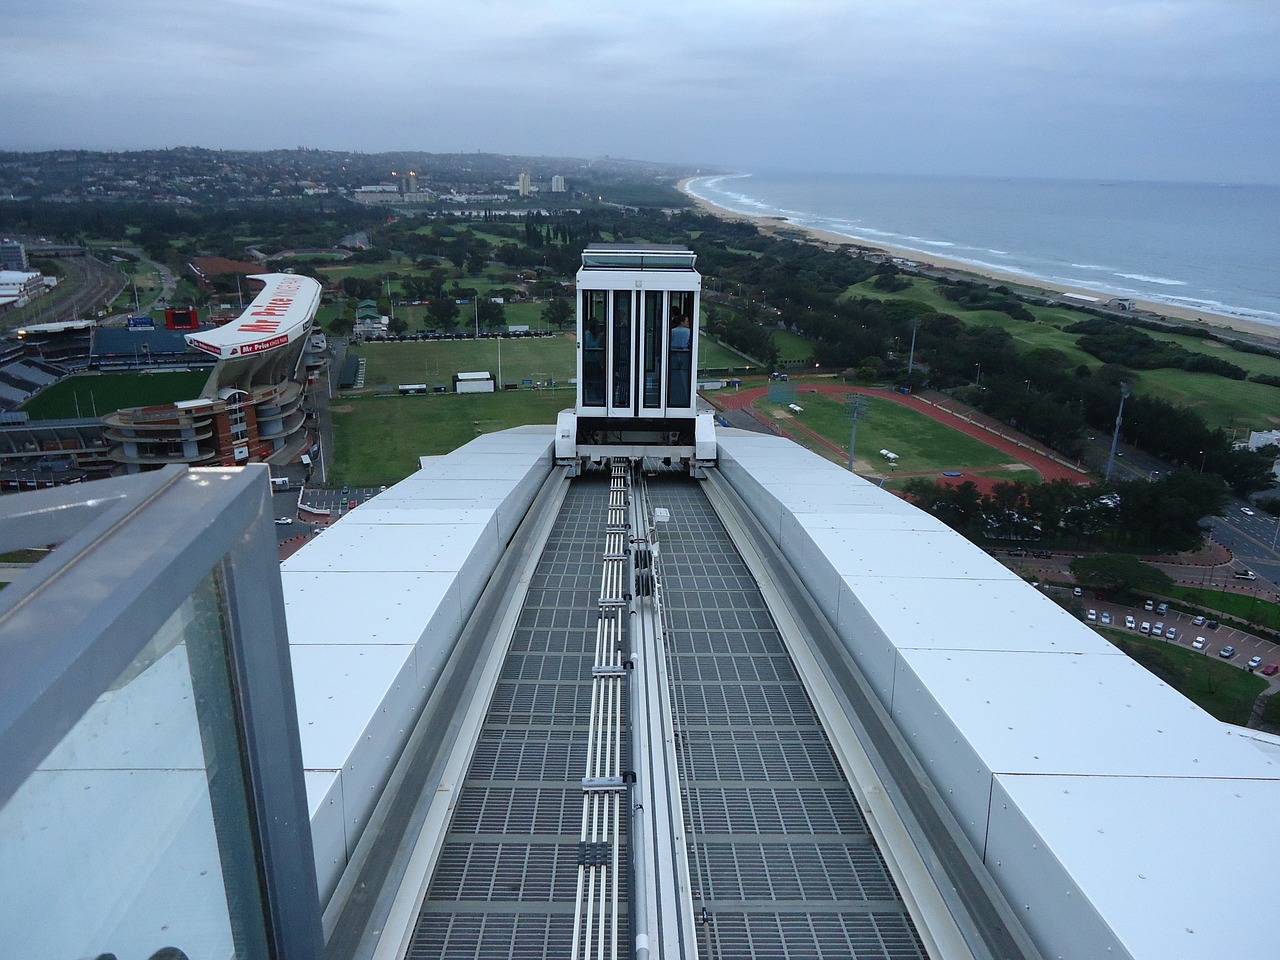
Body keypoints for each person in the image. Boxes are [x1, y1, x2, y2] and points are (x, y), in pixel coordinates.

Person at [668, 313, 692, 406]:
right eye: (686, 321)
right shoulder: (689, 332)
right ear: (682, 322)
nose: (688, 323)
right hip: (684, 355)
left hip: (673, 354)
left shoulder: (672, 331)